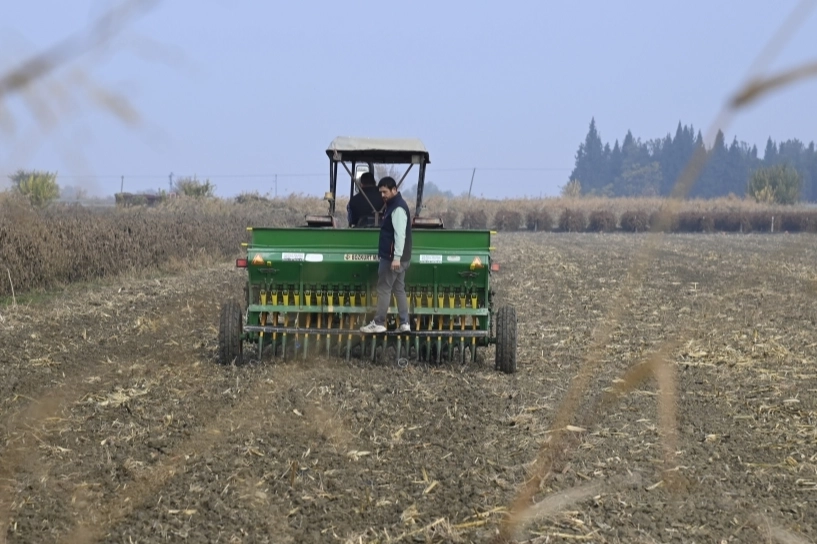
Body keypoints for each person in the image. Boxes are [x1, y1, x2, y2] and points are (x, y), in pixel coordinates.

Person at [360, 176, 412, 333]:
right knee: (399, 289)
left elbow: (400, 235)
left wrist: (396, 257)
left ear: (394, 190)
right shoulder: (394, 205)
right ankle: (404, 323)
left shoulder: (397, 208)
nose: (382, 195)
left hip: (392, 259)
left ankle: (379, 322)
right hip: (400, 258)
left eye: (385, 192)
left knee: (383, 288)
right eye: (380, 192)